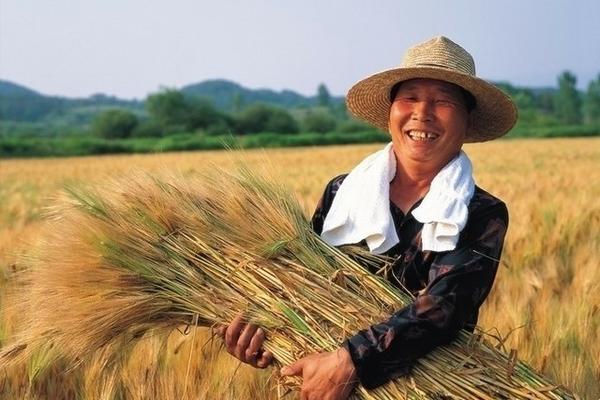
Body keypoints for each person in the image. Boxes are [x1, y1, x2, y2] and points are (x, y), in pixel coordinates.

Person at [218, 36, 517, 399]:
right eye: (409, 98)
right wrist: (269, 338)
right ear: (391, 111)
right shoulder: (342, 194)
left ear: (468, 121)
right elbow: (301, 287)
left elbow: (444, 308)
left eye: (442, 101)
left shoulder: (481, 213)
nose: (422, 112)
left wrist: (350, 361)